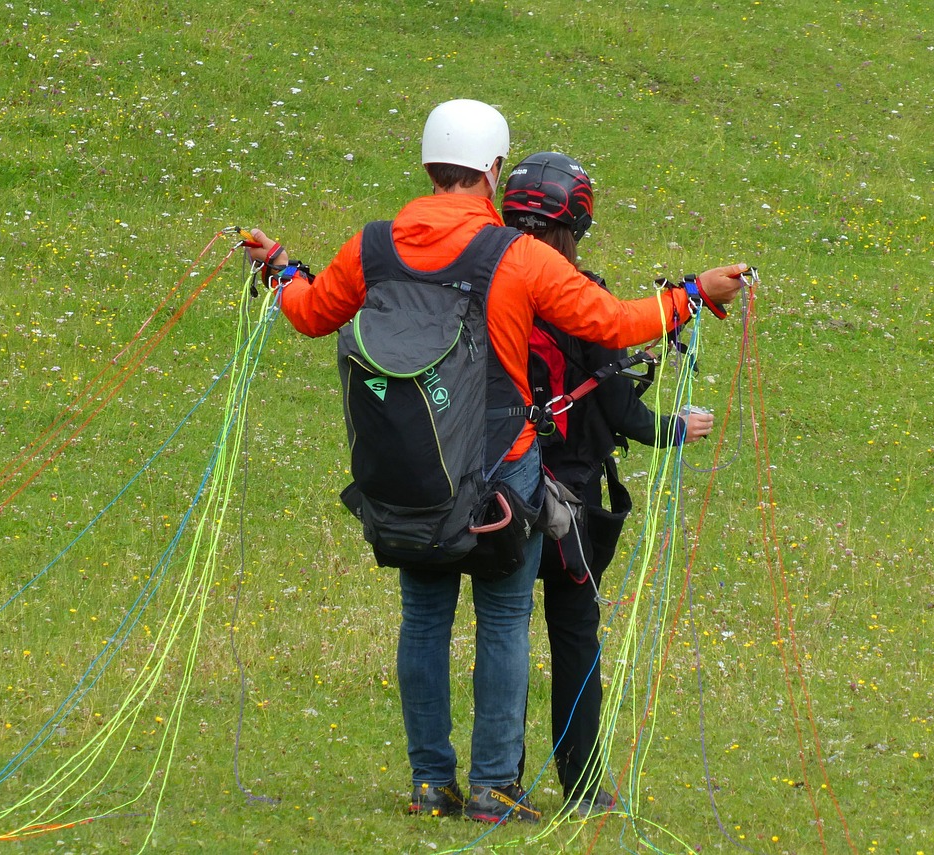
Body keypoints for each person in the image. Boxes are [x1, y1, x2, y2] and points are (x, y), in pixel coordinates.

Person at [243, 99, 752, 824]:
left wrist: (278, 268)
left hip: (411, 466)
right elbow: (614, 323)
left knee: (424, 618)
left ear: (429, 165)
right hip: (501, 469)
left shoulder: (372, 246)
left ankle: (431, 783)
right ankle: (492, 787)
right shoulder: (518, 255)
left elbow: (309, 311)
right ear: (492, 170)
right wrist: (694, 294)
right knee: (504, 618)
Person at [502, 152, 715, 817]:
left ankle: (498, 774)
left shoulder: (488, 291)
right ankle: (583, 784)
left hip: (496, 492)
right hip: (570, 503)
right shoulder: (580, 298)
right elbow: (622, 413)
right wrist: (676, 427)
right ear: (576, 226)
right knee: (574, 635)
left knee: (503, 631)